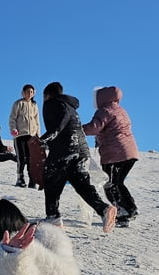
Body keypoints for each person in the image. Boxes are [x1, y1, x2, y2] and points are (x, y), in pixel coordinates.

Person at [40, 82, 116, 232]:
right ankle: (103, 209)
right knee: (82, 185)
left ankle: (53, 217)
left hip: (65, 150)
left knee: (52, 180)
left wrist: (44, 140)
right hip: (81, 150)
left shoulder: (52, 103)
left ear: (47, 95)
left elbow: (59, 125)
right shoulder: (70, 107)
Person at [83, 86, 140, 227]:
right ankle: (130, 208)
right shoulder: (121, 110)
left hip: (115, 154)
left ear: (101, 98)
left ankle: (122, 212)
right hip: (130, 152)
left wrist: (77, 129)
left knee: (110, 184)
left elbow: (94, 127)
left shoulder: (104, 111)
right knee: (118, 182)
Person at [9, 84, 40, 187]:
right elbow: (12, 118)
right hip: (20, 135)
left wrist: (37, 135)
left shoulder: (34, 105)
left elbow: (37, 120)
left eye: (31, 92)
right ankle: (20, 178)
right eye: (27, 91)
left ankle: (32, 179)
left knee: (31, 158)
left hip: (31, 135)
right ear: (23, 92)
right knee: (21, 158)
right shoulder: (18, 103)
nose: (29, 94)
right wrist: (14, 129)